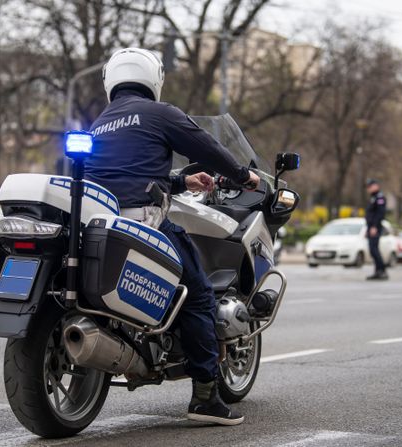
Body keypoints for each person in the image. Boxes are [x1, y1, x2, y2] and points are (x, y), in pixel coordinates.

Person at [84, 47, 260, 426]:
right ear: (154, 79)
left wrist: (181, 181)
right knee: (197, 295)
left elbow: (129, 171)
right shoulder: (161, 113)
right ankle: (206, 398)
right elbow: (207, 148)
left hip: (99, 223)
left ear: (111, 81)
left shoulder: (100, 122)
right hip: (143, 221)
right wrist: (243, 175)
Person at [365, 179, 387, 280]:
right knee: (373, 249)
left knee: (374, 249)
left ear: (376, 186)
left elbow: (380, 213)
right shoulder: (373, 197)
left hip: (375, 227)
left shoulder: (379, 197)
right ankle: (378, 271)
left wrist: (374, 226)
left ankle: (382, 270)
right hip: (371, 227)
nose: (369, 189)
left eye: (370, 186)